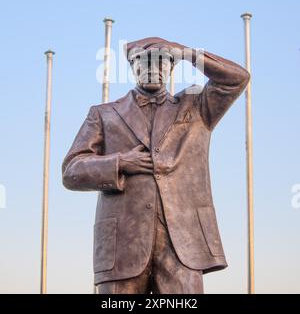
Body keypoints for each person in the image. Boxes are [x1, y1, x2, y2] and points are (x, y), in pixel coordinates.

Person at [62, 37, 250, 294]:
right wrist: (120, 162)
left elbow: (236, 78)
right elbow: (72, 171)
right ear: (132, 67)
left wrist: (187, 53)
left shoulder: (195, 108)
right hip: (122, 246)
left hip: (183, 248)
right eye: (143, 61)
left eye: (162, 61)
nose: (153, 67)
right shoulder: (104, 113)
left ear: (172, 67)